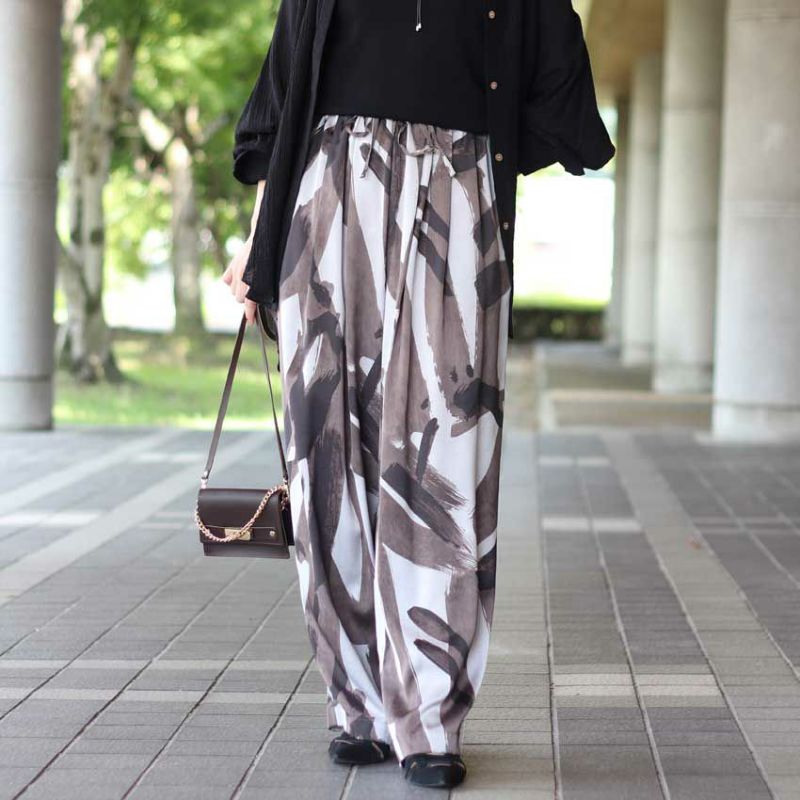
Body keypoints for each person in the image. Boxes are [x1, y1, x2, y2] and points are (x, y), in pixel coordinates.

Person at [223, 0, 614, 789]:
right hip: (328, 203)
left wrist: (467, 161)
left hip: (455, 205)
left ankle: (431, 717)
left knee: (445, 454)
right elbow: (282, 101)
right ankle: (357, 703)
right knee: (328, 457)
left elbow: (561, 94)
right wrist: (259, 245)